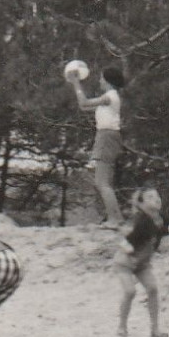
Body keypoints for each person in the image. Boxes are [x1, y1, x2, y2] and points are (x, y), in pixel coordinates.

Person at [113, 187, 169, 337]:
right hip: (125, 262)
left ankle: (155, 329)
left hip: (142, 263)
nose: (156, 199)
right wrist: (129, 251)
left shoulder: (159, 218)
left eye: (157, 196)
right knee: (130, 291)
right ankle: (122, 327)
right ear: (141, 204)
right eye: (150, 197)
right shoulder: (141, 220)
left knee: (152, 289)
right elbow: (128, 240)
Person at [67, 65, 126, 226]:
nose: (100, 81)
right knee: (104, 181)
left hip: (106, 136)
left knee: (102, 182)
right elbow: (83, 105)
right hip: (107, 136)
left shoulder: (110, 96)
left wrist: (76, 83)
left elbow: (84, 102)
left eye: (101, 78)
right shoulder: (110, 97)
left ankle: (115, 219)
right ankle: (117, 217)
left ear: (107, 81)